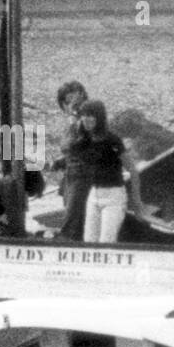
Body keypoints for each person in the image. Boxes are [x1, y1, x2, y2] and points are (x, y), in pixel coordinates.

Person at [72, 99, 132, 244]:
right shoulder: (83, 142)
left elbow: (133, 171)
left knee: (107, 241)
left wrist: (137, 203)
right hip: (94, 194)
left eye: (91, 115)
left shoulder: (113, 140)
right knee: (89, 241)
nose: (86, 119)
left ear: (99, 117)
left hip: (114, 196)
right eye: (84, 115)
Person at [48, 80, 90, 240]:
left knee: (73, 225)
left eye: (77, 101)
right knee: (73, 219)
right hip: (71, 177)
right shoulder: (72, 123)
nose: (73, 106)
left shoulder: (87, 121)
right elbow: (73, 149)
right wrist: (60, 161)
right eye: (67, 102)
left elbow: (83, 147)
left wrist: (74, 119)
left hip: (83, 178)